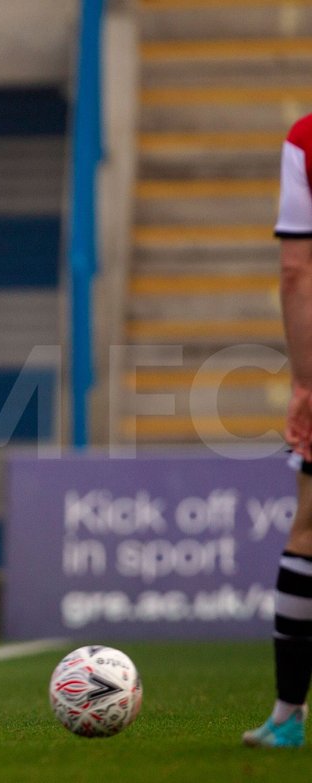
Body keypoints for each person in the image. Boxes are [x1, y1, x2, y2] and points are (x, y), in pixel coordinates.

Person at [244, 112, 312, 748]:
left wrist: (305, 383)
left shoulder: (305, 139)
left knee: (309, 532)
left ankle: (289, 716)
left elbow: (297, 270)